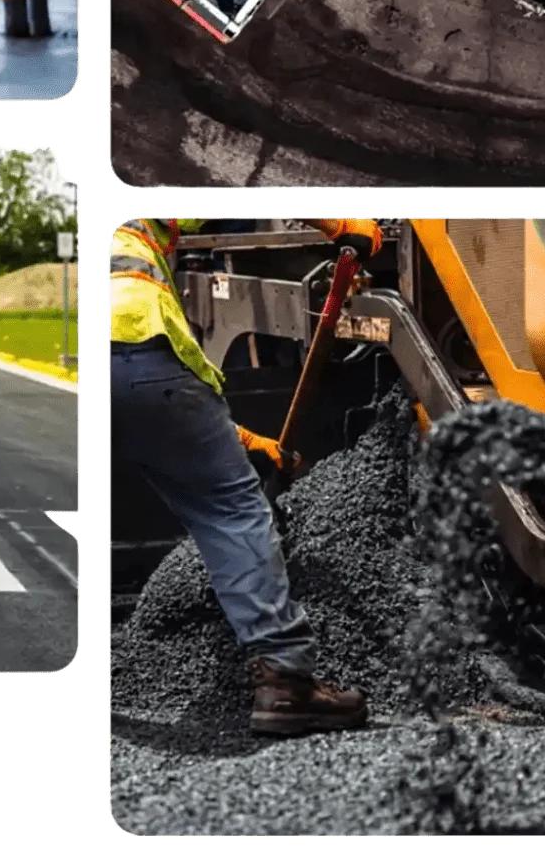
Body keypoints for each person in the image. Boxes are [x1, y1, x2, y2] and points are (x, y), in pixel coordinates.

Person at [110, 215, 382, 736]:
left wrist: (248, 442)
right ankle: (285, 682)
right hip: (141, 344)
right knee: (230, 511)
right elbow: (234, 177)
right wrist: (339, 222)